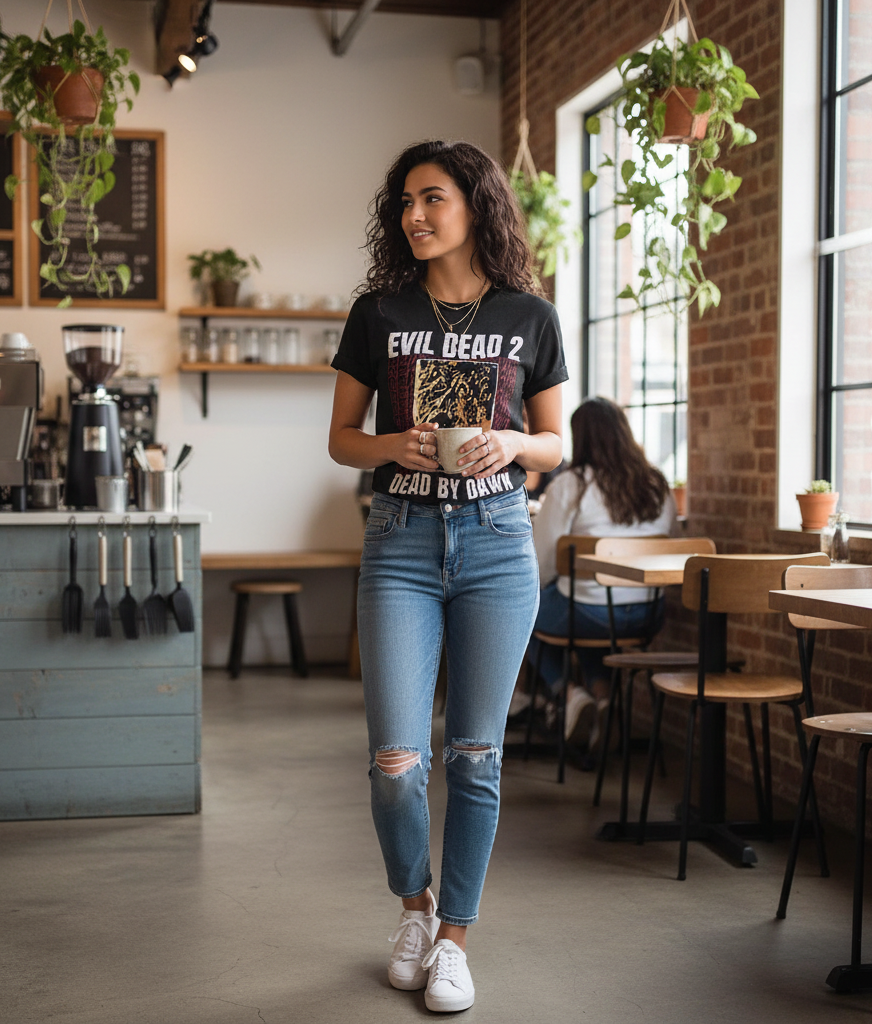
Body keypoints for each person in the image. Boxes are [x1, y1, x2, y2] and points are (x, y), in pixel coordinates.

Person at [328, 139, 566, 1012]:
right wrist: (394, 445)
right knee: (396, 759)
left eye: (432, 199)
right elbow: (342, 438)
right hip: (399, 540)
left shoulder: (529, 315)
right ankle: (414, 910)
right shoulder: (379, 311)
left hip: (499, 541)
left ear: (476, 204)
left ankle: (457, 938)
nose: (414, 217)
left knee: (475, 755)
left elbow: (556, 441)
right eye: (404, 203)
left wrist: (512, 444)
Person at [524, 397, 677, 742]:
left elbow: (543, 560)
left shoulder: (571, 485)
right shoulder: (657, 484)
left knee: (519, 611)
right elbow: (674, 545)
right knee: (592, 611)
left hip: (586, 612)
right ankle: (605, 700)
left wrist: (544, 590)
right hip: (648, 614)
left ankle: (570, 695)